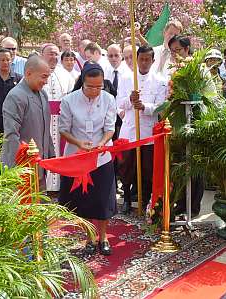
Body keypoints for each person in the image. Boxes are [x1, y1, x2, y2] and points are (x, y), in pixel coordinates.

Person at [58, 62, 117, 256]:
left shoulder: (108, 99)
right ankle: (89, 237)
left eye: (99, 87)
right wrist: (79, 143)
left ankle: (104, 236)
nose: (95, 91)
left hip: (101, 156)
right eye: (90, 87)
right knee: (82, 200)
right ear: (83, 82)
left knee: (102, 199)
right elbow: (64, 129)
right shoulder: (69, 101)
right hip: (77, 156)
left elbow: (110, 127)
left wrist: (102, 142)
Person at [117, 45, 167, 214]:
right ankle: (127, 199)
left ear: (153, 61)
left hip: (147, 130)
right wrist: (131, 100)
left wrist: (144, 106)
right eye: (141, 59)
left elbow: (161, 106)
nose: (144, 63)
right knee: (126, 166)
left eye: (147, 59)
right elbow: (119, 103)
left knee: (147, 168)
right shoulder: (126, 78)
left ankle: (146, 200)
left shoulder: (160, 81)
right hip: (130, 129)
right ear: (136, 60)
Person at [1, 56, 55, 189]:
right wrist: (18, 168)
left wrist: (51, 156)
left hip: (40, 164)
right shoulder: (15, 96)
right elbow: (11, 135)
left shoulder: (43, 94)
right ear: (28, 73)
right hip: (22, 167)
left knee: (39, 205)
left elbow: (45, 129)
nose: (46, 82)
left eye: (47, 77)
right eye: (43, 77)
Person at [41, 43, 75, 192]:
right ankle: (44, 185)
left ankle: (61, 186)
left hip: (62, 120)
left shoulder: (66, 74)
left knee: (62, 151)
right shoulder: (37, 72)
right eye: (50, 54)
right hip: (43, 119)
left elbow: (71, 98)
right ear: (42, 55)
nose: (53, 57)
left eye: (56, 54)